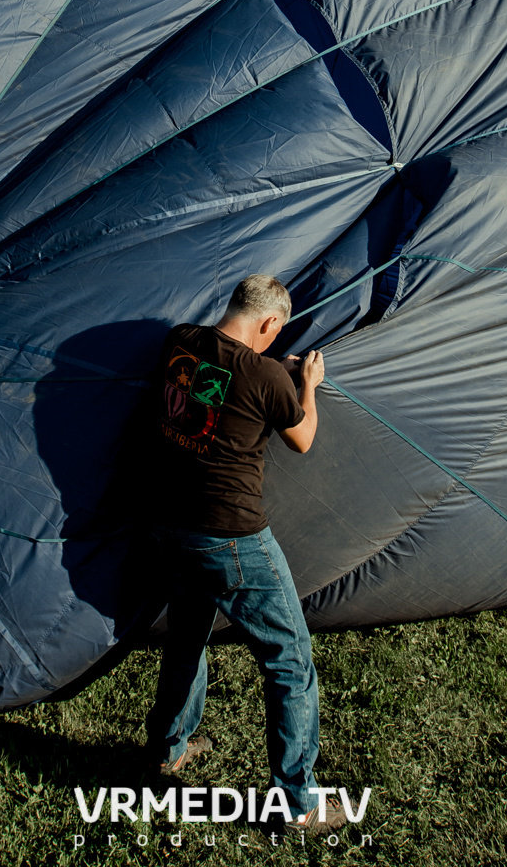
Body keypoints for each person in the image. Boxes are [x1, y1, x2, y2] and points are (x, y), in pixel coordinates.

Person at [143, 273, 336, 830]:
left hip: (171, 525)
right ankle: (298, 804)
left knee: (186, 639)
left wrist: (273, 372)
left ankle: (167, 749)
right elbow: (303, 439)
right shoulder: (267, 376)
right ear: (271, 322)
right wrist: (307, 384)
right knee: (289, 660)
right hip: (231, 536)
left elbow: (219, 387)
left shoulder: (180, 340)